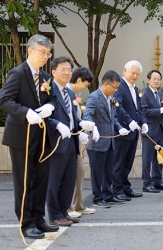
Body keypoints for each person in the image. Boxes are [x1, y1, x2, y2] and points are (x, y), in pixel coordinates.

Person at [0, 34, 58, 239]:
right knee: (24, 180)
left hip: (42, 136)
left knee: (41, 179)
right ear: (30, 51)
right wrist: (26, 112)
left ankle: (39, 217)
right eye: (42, 52)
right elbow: (4, 100)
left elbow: (54, 99)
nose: (46, 57)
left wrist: (50, 106)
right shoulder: (18, 73)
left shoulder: (45, 77)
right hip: (21, 136)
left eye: (48, 53)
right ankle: (26, 222)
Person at [46, 57, 95, 226]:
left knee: (68, 180)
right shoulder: (48, 90)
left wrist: (81, 126)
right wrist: (57, 124)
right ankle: (54, 214)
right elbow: (44, 116)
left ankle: (64, 210)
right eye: (63, 69)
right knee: (55, 180)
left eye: (69, 70)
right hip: (56, 142)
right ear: (53, 72)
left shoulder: (70, 92)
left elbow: (72, 117)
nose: (67, 73)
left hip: (71, 142)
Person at [83, 71, 130, 207]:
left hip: (110, 141)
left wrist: (120, 127)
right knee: (97, 172)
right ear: (105, 83)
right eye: (114, 87)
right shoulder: (94, 97)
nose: (115, 90)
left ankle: (108, 195)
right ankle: (97, 198)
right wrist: (91, 128)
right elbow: (88, 115)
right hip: (98, 141)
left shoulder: (111, 98)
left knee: (108, 170)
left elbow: (113, 118)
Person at [113, 60, 148, 201]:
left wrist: (143, 122)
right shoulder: (119, 87)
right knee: (119, 162)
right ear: (124, 70)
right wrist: (129, 121)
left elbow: (139, 109)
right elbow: (117, 106)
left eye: (137, 74)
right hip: (122, 131)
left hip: (133, 131)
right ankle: (116, 189)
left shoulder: (135, 88)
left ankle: (125, 186)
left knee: (128, 162)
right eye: (132, 73)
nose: (135, 76)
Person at [66, 67, 96, 217]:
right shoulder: (66, 93)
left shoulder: (74, 95)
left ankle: (79, 205)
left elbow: (75, 119)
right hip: (66, 140)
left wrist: (82, 127)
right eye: (85, 84)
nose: (85, 88)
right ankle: (68, 208)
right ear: (78, 80)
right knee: (69, 175)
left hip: (74, 139)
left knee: (79, 172)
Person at [140, 70, 163, 193]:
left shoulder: (160, 93)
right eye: (154, 78)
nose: (156, 81)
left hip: (160, 130)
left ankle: (157, 181)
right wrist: (160, 110)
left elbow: (162, 109)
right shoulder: (143, 93)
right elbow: (144, 111)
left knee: (159, 157)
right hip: (149, 130)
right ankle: (146, 183)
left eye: (158, 79)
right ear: (148, 79)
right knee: (147, 158)